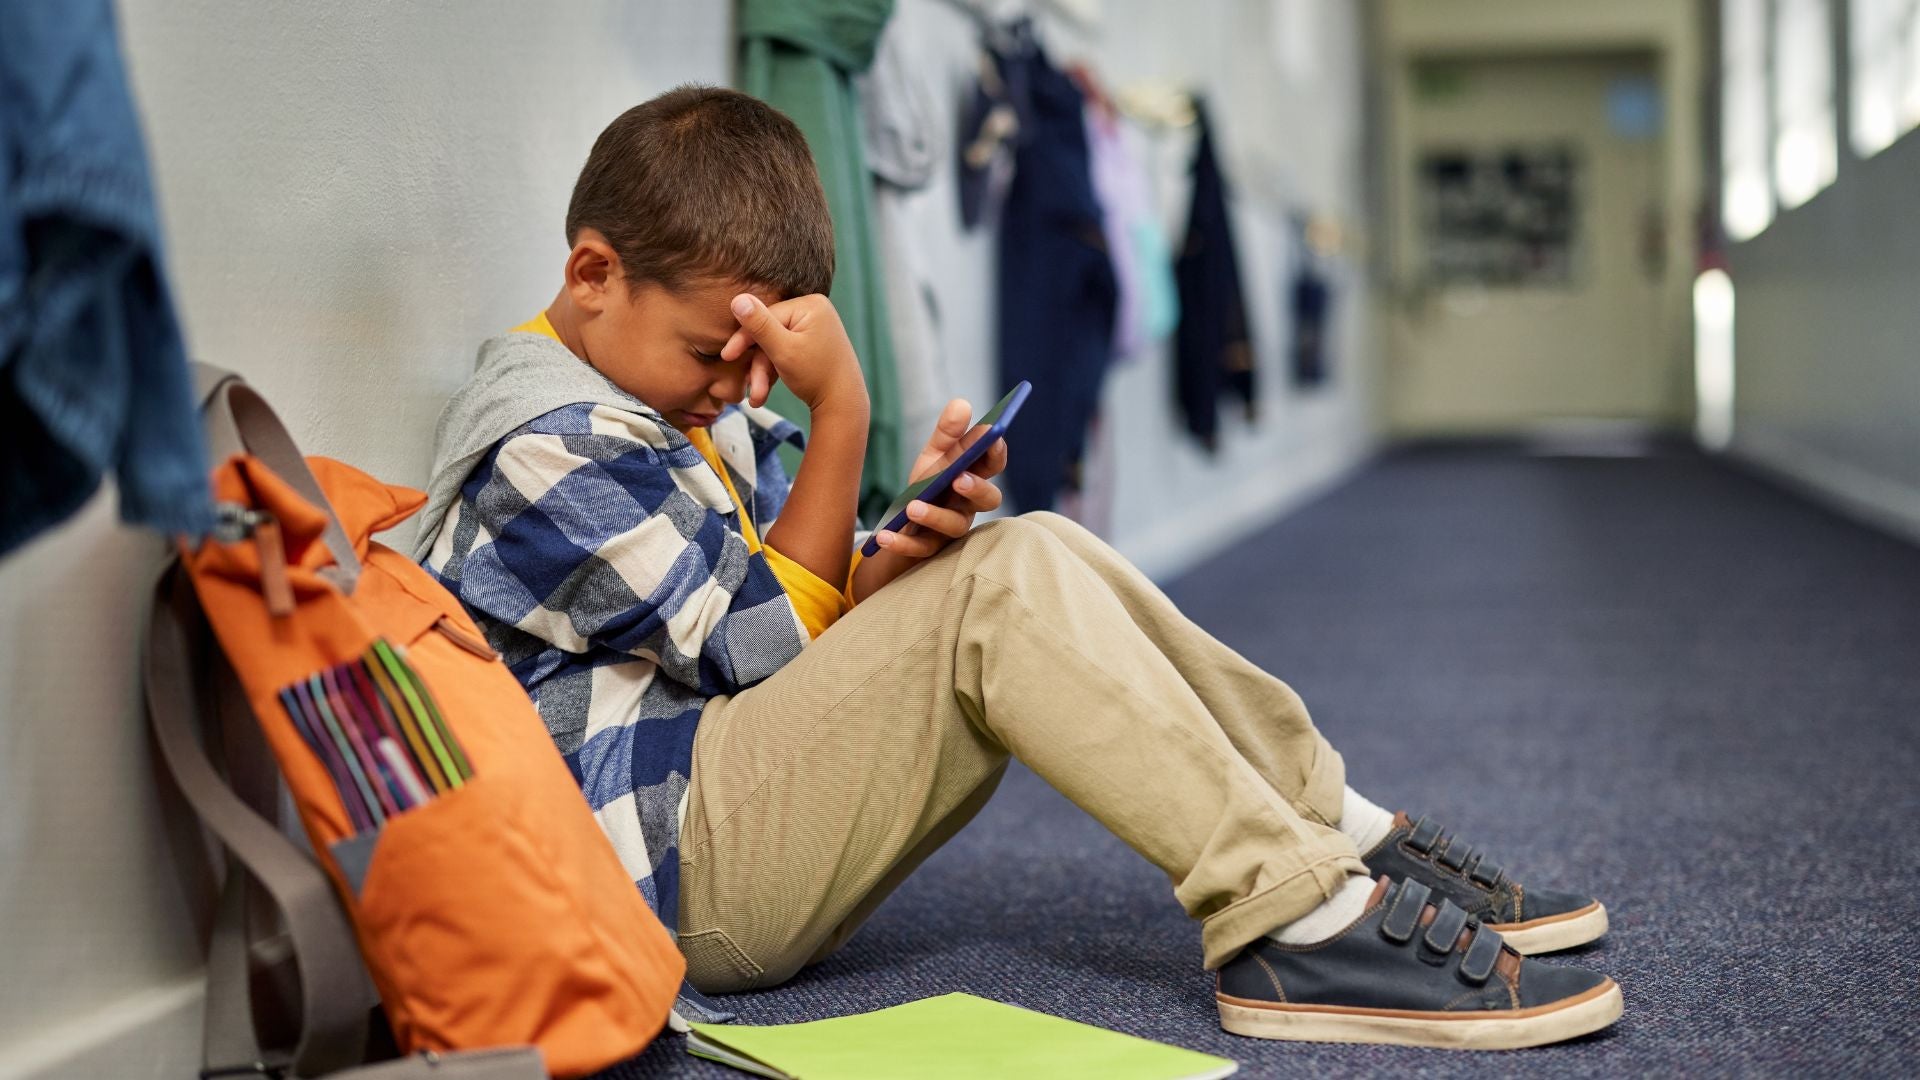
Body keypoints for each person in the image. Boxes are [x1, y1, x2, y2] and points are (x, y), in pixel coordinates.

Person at [412, 85, 1621, 1050]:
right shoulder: (544, 443)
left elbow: (781, 616)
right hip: (669, 873)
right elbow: (755, 650)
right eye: (711, 356)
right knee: (999, 588)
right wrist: (844, 416)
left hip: (719, 794)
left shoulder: (653, 393)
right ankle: (1291, 920)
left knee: (1016, 546)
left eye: (755, 365)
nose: (738, 387)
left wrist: (891, 552)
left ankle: (1334, 834)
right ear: (591, 274)